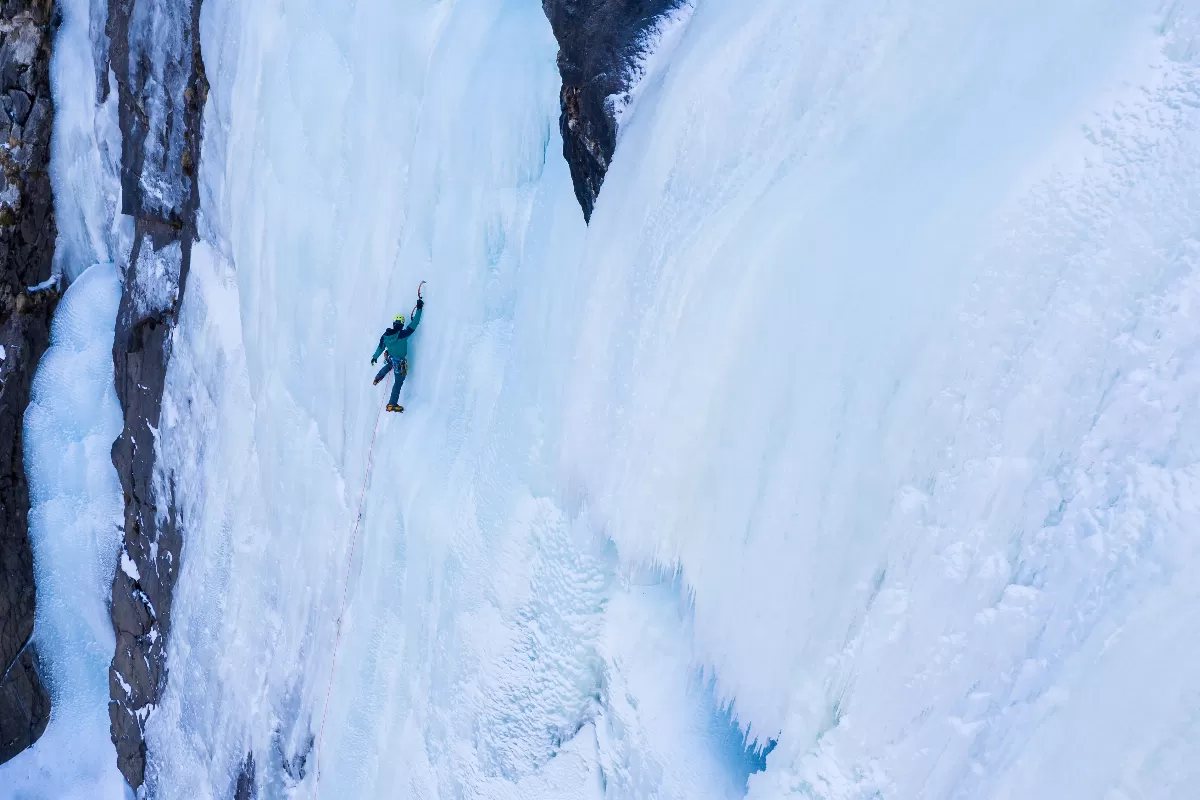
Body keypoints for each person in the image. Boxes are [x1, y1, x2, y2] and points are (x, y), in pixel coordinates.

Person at [371, 294, 424, 412]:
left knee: (390, 364)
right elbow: (414, 324)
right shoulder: (402, 335)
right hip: (399, 362)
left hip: (390, 357)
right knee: (398, 382)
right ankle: (392, 404)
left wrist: (374, 357)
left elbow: (380, 347)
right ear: (401, 324)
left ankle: (378, 377)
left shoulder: (385, 336)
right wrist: (419, 309)